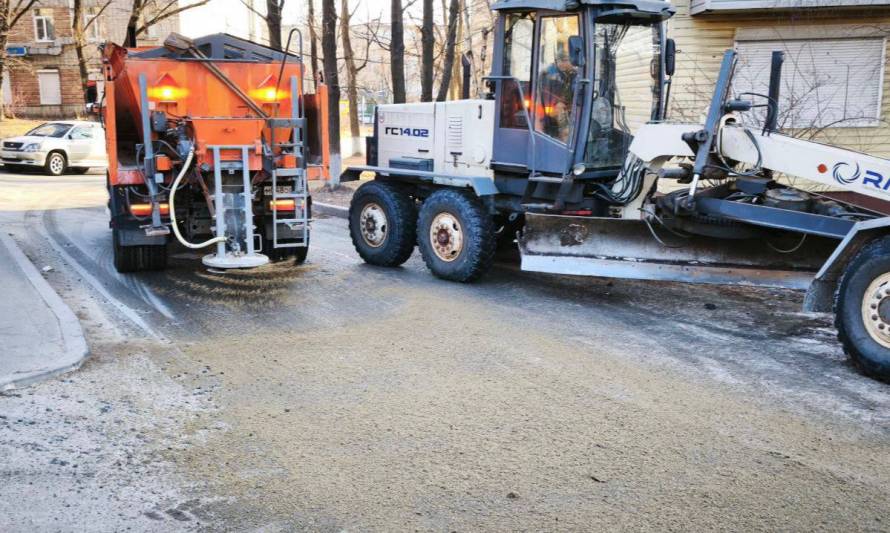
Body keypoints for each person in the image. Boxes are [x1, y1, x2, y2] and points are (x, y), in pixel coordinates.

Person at [538, 47, 578, 142]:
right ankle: (565, 141)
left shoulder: (574, 74)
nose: (561, 63)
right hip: (553, 108)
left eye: (564, 60)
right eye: (559, 61)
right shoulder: (549, 74)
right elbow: (547, 95)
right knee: (561, 113)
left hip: (570, 105)